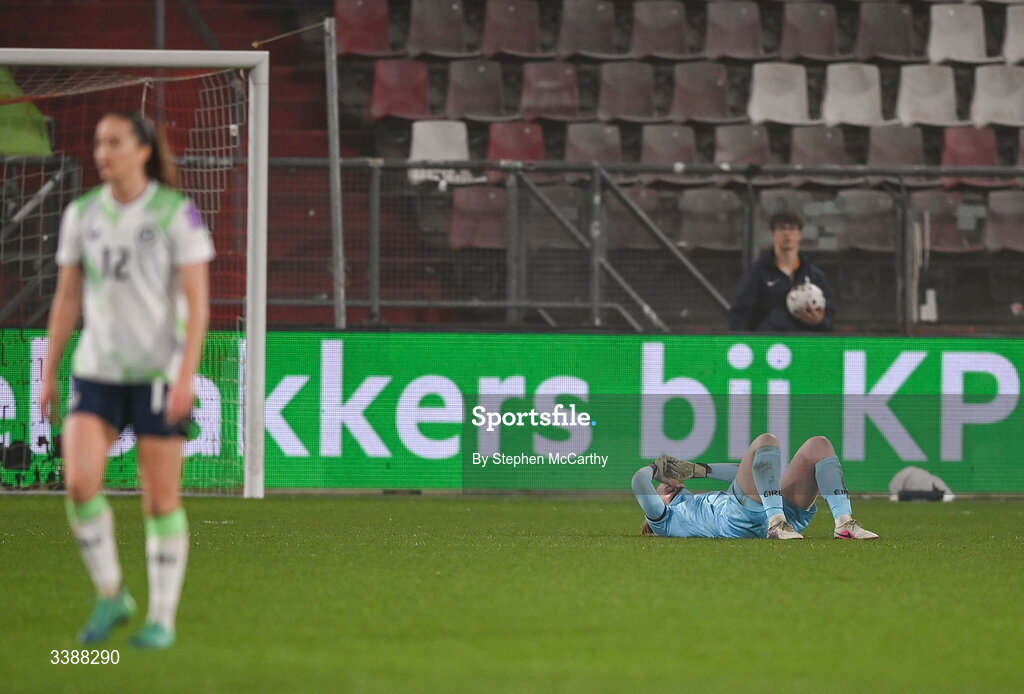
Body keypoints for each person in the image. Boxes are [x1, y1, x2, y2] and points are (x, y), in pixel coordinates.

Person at [40, 111, 214, 649]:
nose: (103, 152)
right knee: (79, 482)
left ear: (142, 150)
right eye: (98, 142)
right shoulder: (82, 214)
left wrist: (187, 375)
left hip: (158, 374)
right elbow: (68, 296)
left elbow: (198, 303)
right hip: (97, 371)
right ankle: (112, 592)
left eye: (114, 142)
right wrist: (49, 370)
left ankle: (161, 618)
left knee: (160, 500)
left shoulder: (175, 214)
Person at [632, 433, 878, 540]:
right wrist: (656, 468)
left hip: (772, 512)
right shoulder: (663, 521)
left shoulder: (697, 502)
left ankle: (844, 523)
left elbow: (743, 471)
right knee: (765, 441)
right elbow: (638, 481)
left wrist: (698, 470)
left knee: (819, 444)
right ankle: (776, 524)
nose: (663, 486)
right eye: (659, 489)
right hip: (739, 519)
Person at [727, 210, 835, 332]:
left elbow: (829, 319)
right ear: (773, 235)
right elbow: (740, 313)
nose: (786, 233)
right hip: (768, 345)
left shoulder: (814, 275)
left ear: (800, 235)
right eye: (781, 228)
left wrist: (819, 322)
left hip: (804, 346)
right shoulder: (757, 273)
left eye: (792, 228)